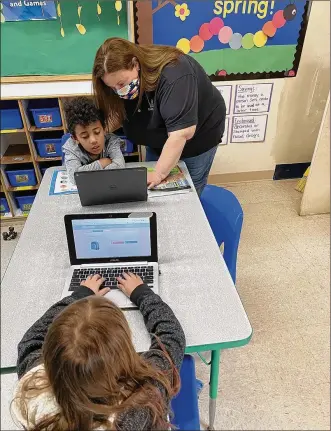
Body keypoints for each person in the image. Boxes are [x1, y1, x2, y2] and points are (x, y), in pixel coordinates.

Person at [11, 273, 186, 430]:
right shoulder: (144, 397)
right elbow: (171, 335)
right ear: (124, 355)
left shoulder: (32, 392)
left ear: (49, 357)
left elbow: (32, 340)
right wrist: (142, 293)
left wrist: (78, 296)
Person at [92, 38, 226, 196]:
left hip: (198, 136)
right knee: (155, 191)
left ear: (135, 64)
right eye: (112, 87)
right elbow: (117, 115)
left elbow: (180, 134)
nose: (118, 91)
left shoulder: (175, 73)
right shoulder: (122, 83)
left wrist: (159, 174)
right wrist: (96, 133)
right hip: (160, 137)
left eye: (121, 84)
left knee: (188, 194)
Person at [63, 97, 125, 184]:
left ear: (104, 129)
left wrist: (87, 173)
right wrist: (101, 163)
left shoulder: (111, 141)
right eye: (85, 136)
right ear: (75, 138)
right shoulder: (71, 147)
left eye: (97, 132)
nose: (93, 140)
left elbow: (119, 166)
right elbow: (75, 177)